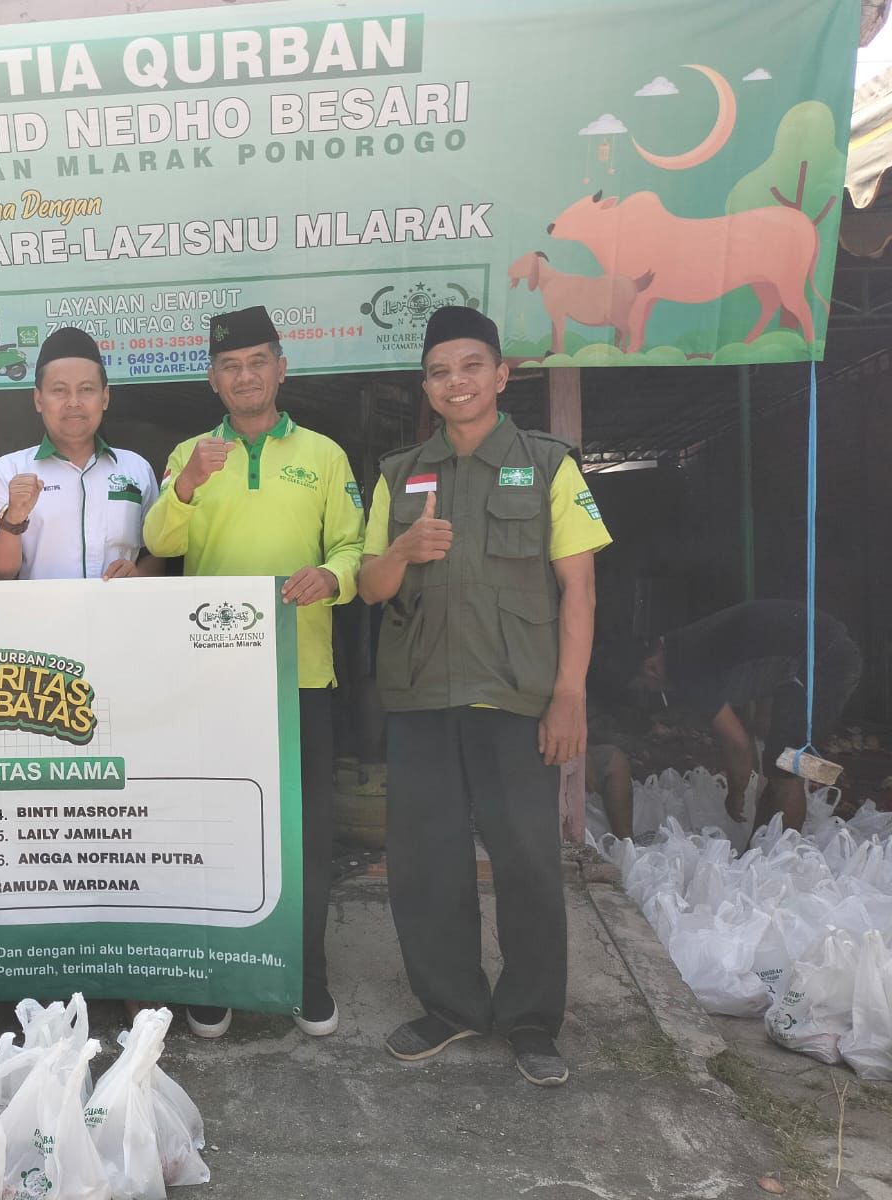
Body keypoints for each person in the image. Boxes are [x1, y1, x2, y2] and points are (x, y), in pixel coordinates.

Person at [357, 305, 611, 1087]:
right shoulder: (398, 474)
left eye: (472, 366)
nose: (456, 382)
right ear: (426, 386)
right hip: (422, 699)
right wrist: (402, 548)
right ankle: (452, 1006)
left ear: (502, 375)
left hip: (517, 699)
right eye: (440, 371)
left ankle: (532, 1017)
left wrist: (569, 694)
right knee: (425, 864)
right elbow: (368, 587)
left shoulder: (548, 465)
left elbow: (580, 589)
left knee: (529, 862)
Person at [143, 305, 363, 1040]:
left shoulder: (326, 455)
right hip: (213, 681)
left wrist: (332, 579)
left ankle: (306, 977)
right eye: (230, 367)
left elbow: (353, 546)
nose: (245, 376)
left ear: (280, 368)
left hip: (301, 672)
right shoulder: (188, 454)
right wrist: (185, 489)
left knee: (304, 833)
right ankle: (218, 978)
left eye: (257, 362)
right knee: (217, 828)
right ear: (214, 380)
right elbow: (158, 541)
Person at [593, 600, 863, 834]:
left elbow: (737, 742)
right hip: (812, 658)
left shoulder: (686, 667)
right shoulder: (683, 647)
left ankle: (786, 859)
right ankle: (762, 852)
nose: (649, 692)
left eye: (643, 687)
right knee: (779, 761)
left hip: (826, 661)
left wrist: (736, 793)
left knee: (785, 769)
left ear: (649, 667)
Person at [0, 325, 162, 582]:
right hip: (39, 619)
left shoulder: (136, 469)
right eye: (59, 390)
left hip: (120, 617)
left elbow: (160, 553)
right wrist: (14, 517)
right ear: (38, 400)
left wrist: (139, 573)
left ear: (105, 397)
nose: (73, 402)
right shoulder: (8, 470)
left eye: (86, 389)